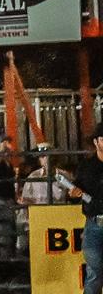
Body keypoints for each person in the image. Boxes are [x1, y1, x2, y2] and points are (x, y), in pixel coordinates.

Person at [71, 123, 103, 294]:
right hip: (93, 222)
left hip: (93, 225)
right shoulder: (86, 166)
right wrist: (74, 193)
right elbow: (76, 190)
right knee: (94, 271)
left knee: (94, 272)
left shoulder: (86, 166)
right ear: (96, 142)